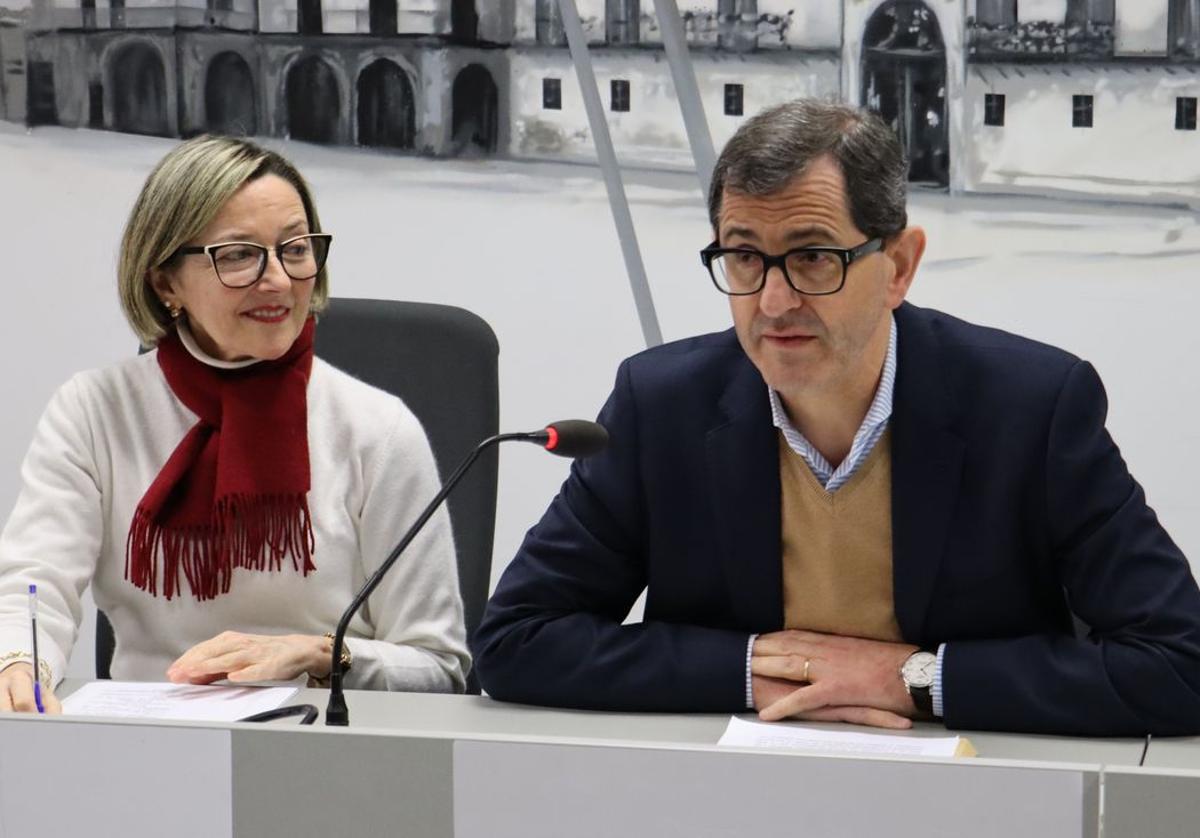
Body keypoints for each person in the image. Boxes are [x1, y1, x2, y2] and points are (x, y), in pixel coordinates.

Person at [473, 100, 1200, 736]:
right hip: (728, 793)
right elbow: (516, 641)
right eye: (745, 257)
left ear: (900, 266)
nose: (774, 301)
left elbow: (1180, 664)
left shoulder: (1031, 408)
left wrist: (918, 679)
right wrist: (754, 668)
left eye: (814, 257)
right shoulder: (661, 405)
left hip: (972, 794)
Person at [0, 136, 469, 713]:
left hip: (325, 748)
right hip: (146, 745)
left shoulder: (377, 429)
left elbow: (439, 666)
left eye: (295, 248)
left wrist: (322, 654)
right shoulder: (96, 410)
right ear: (165, 282)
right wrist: (20, 661)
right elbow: (33, 582)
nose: (276, 279)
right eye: (239, 255)